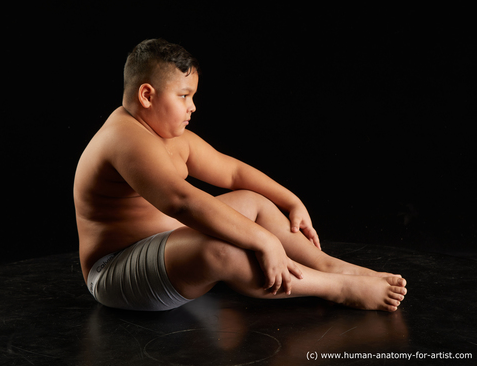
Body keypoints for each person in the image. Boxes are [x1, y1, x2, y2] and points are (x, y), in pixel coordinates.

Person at [73, 38, 406, 312]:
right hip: (113, 270)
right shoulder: (124, 138)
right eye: (184, 96)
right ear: (147, 95)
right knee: (221, 249)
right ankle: (337, 287)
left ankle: (330, 265)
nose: (193, 107)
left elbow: (232, 173)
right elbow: (181, 202)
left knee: (251, 201)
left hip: (164, 244)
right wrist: (265, 240)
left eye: (193, 97)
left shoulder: (167, 135)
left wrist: (292, 201)